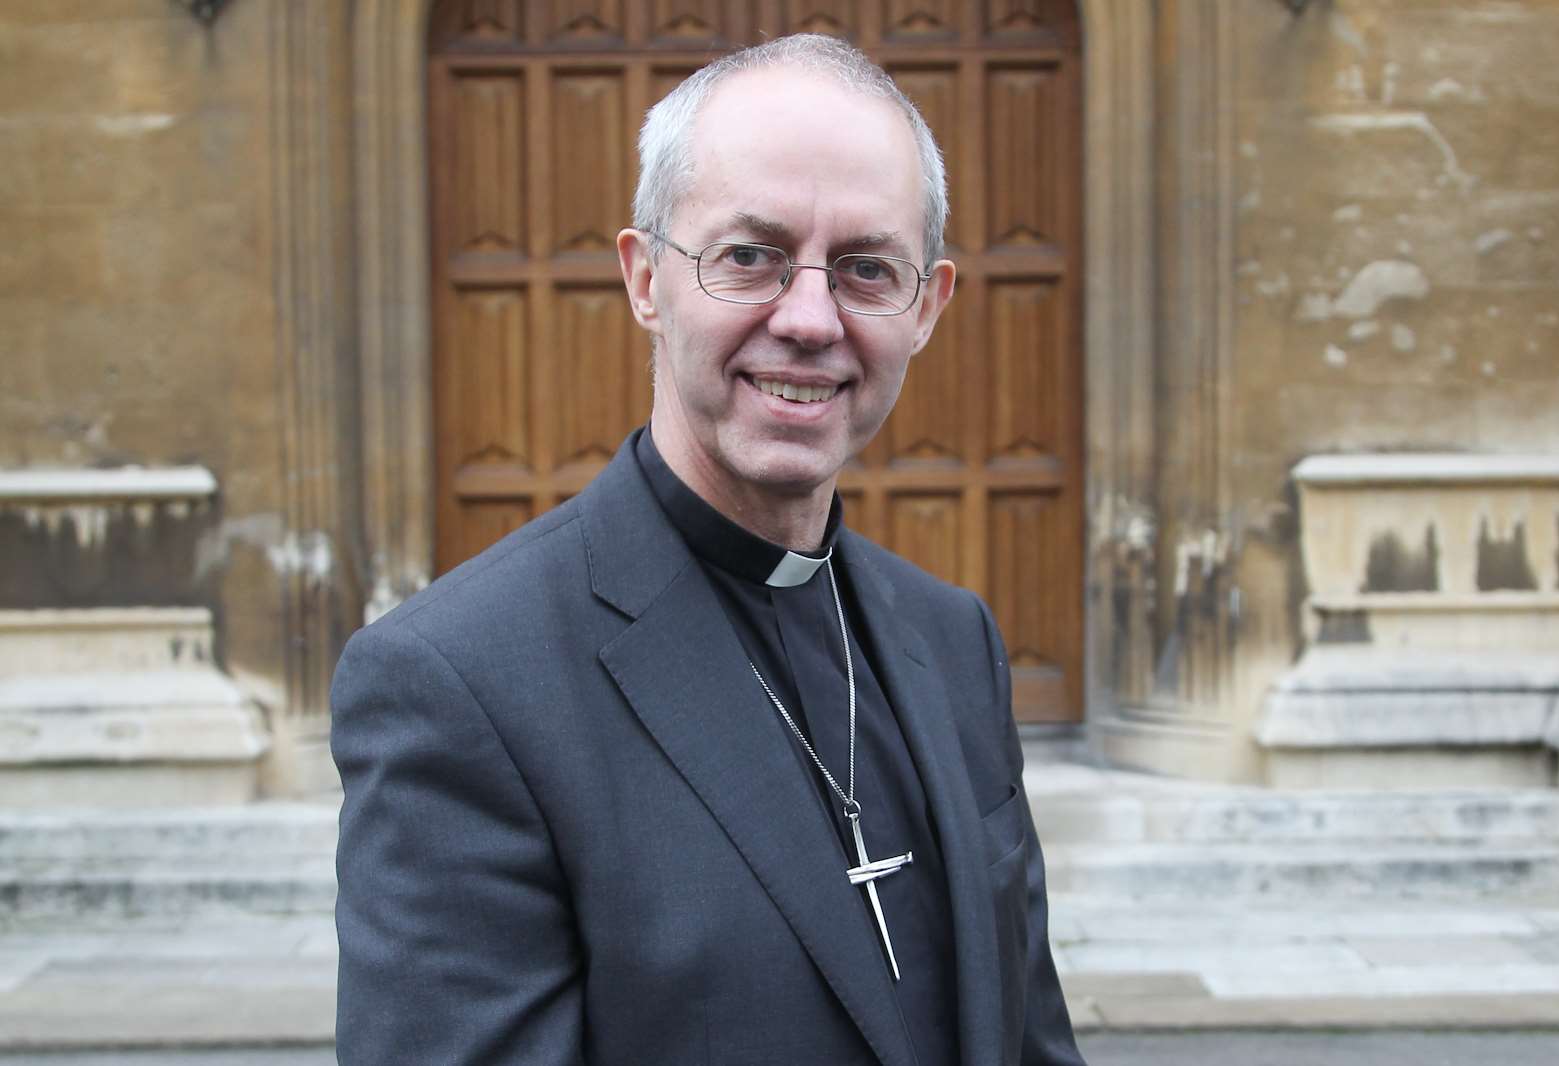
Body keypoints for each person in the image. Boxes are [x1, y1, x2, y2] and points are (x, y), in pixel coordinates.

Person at [332, 33, 1086, 1066]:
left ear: (927, 307)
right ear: (645, 279)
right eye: (750, 257)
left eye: (868, 269)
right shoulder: (460, 682)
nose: (811, 319)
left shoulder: (954, 640)